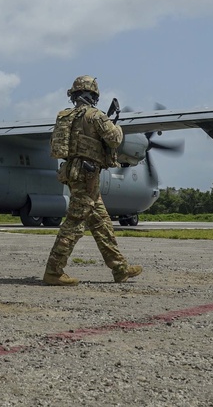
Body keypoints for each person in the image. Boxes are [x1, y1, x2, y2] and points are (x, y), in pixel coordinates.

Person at [43, 75, 143, 286]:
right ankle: (53, 270)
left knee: (102, 223)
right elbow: (114, 139)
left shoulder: (66, 117)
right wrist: (118, 127)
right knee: (74, 223)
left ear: (74, 95)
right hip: (87, 175)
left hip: (74, 172)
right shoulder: (95, 116)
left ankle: (120, 268)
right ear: (94, 95)